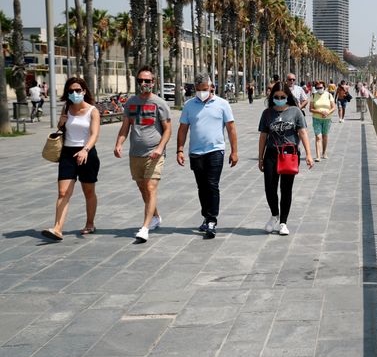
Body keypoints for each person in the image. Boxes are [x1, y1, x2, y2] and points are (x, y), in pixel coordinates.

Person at [176, 73, 238, 239]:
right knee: (201, 186)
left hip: (215, 151)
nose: (201, 92)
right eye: (198, 90)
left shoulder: (222, 104)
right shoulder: (189, 105)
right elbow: (183, 129)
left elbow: (231, 128)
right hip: (196, 152)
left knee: (212, 184)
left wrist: (234, 151)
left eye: (204, 89)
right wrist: (180, 150)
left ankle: (212, 220)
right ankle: (206, 215)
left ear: (211, 87)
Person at [114, 66, 172, 243]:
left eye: (147, 81)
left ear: (153, 82)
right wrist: (119, 144)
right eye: (141, 81)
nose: (144, 84)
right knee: (142, 188)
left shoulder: (159, 103)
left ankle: (145, 227)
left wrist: (160, 148)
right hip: (135, 154)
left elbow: (168, 130)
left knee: (150, 187)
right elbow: (125, 127)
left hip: (154, 153)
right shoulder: (131, 103)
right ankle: (155, 216)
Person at [42, 77, 101, 241]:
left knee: (88, 191)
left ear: (84, 91)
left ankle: (90, 223)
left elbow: (95, 134)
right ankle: (57, 228)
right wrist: (61, 123)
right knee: (62, 192)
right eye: (70, 91)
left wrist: (85, 150)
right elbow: (61, 129)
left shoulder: (92, 111)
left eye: (77, 90)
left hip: (87, 153)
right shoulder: (66, 107)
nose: (74, 93)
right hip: (67, 153)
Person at [258, 81, 314, 235]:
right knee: (270, 188)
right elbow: (263, 136)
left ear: (287, 96)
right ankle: (274, 215)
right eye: (276, 96)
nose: (280, 99)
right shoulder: (267, 113)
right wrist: (260, 157)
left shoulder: (295, 112)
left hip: (289, 154)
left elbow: (303, 133)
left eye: (283, 96)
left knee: (286, 189)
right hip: (271, 154)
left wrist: (309, 154)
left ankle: (283, 222)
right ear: (272, 96)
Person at [308, 80, 335, 161]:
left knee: (325, 136)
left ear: (324, 87)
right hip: (316, 119)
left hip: (327, 119)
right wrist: (319, 111)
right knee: (318, 137)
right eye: (318, 88)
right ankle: (318, 156)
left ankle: (324, 152)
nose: (319, 89)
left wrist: (328, 112)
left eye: (321, 87)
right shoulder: (313, 96)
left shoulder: (329, 95)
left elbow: (333, 107)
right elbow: (311, 109)